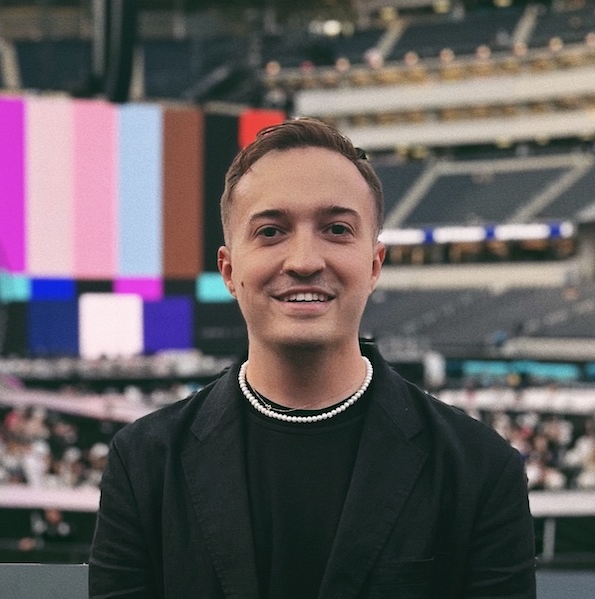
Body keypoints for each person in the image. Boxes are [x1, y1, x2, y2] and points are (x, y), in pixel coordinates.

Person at [88, 118, 536, 598]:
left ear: (373, 265)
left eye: (337, 229)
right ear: (229, 269)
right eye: (271, 231)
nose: (304, 260)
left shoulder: (481, 470)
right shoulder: (143, 464)